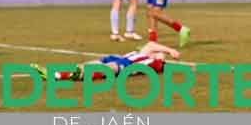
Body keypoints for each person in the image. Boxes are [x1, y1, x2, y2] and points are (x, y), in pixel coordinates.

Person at [31, 41, 180, 82]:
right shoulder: (144, 54)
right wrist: (170, 50)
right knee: (88, 65)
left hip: (125, 65)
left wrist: (165, 55)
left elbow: (162, 62)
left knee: (104, 70)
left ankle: (56, 76)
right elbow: (151, 45)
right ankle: (59, 73)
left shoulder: (154, 64)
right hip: (120, 58)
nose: (161, 54)